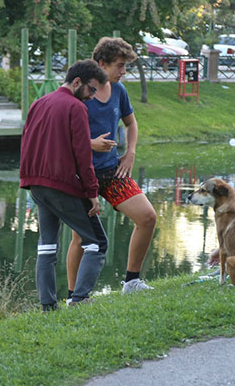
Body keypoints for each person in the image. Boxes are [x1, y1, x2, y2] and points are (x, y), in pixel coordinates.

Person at [66, 37, 158, 296]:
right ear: (101, 64)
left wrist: (130, 153)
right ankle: (74, 296)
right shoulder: (81, 91)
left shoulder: (119, 91)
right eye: (119, 66)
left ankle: (131, 282)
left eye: (125, 66)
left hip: (112, 171)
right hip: (83, 175)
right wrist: (90, 144)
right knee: (81, 238)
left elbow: (131, 123)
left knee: (147, 217)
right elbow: (63, 134)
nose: (123, 71)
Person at [20, 59, 109, 311]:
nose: (92, 96)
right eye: (91, 90)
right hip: (62, 185)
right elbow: (83, 155)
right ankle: (78, 300)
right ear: (77, 82)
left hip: (36, 184)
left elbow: (26, 142)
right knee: (97, 243)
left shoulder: (38, 103)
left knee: (47, 246)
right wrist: (92, 192)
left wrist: (27, 178)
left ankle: (48, 306)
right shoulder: (75, 107)